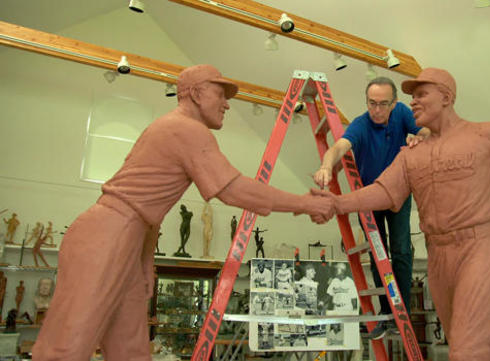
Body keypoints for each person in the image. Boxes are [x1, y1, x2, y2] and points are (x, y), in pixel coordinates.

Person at [32, 64, 333, 361]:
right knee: (66, 346)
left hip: (125, 236)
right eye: (219, 94)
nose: (227, 104)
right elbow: (234, 190)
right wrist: (306, 204)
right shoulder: (185, 128)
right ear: (196, 94)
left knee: (129, 347)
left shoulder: (173, 128)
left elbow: (146, 211)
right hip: (107, 235)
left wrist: (144, 261)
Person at [310, 67, 490, 361]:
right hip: (438, 257)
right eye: (411, 96)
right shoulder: (411, 153)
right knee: (480, 348)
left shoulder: (485, 134)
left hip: (478, 248)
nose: (413, 102)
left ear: (446, 97)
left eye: (420, 94)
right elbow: (383, 192)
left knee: (465, 352)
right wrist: (338, 204)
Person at [313, 77, 430, 339]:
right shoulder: (360, 124)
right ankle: (388, 313)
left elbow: (428, 130)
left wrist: (420, 138)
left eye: (383, 104)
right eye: (371, 103)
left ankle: (403, 314)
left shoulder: (402, 113)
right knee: (380, 255)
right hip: (371, 196)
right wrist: (325, 167)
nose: (376, 110)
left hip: (399, 192)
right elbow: (338, 147)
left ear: (394, 103)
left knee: (400, 249)